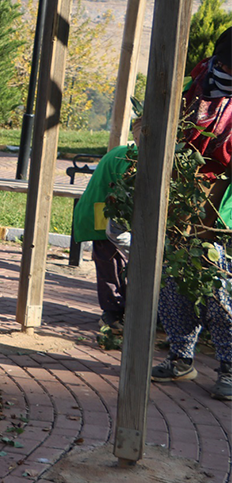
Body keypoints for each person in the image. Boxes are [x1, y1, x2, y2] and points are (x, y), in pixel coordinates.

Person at [150, 27, 232, 401]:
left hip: (224, 203)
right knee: (175, 277)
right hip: (184, 194)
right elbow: (158, 123)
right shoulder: (195, 82)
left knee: (219, 286)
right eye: (223, 65)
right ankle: (181, 357)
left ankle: (229, 368)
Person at [72, 118, 142, 333]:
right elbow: (128, 194)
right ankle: (112, 314)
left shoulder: (134, 153)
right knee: (110, 262)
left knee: (120, 261)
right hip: (103, 211)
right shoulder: (130, 158)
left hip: (111, 211)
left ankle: (124, 310)